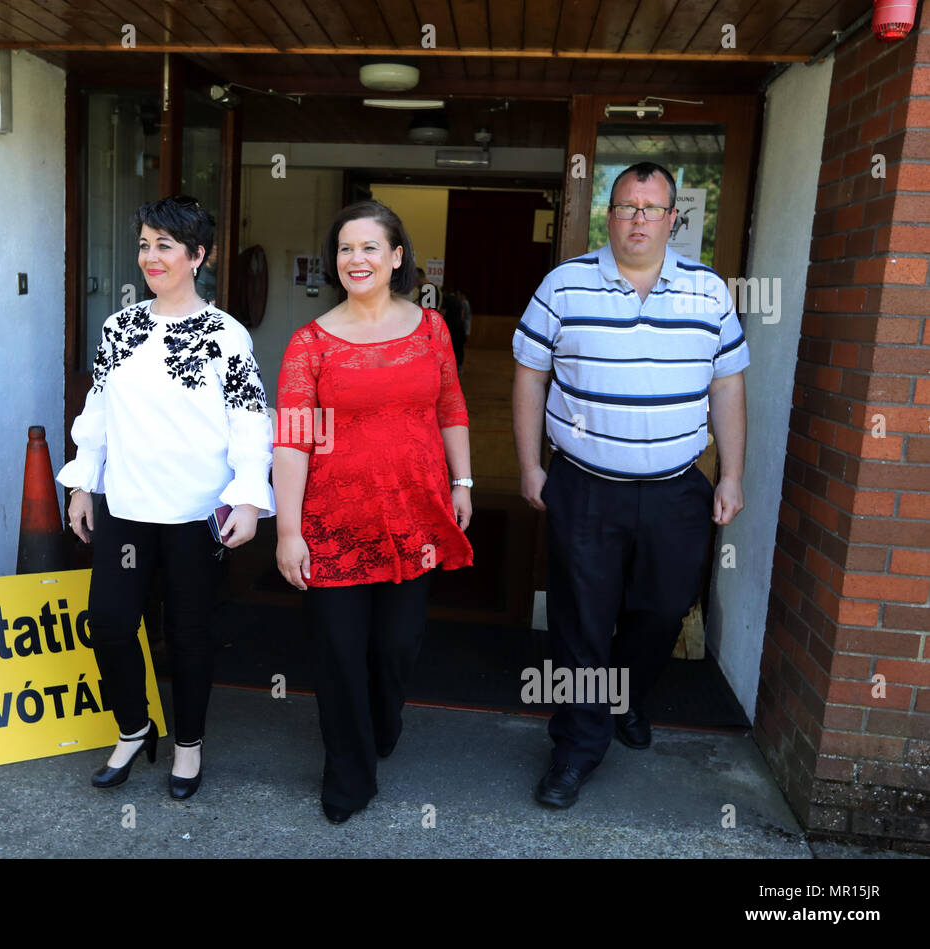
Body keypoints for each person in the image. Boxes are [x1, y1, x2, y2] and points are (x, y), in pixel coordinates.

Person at [511, 161, 748, 808]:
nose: (638, 218)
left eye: (651, 208)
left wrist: (731, 473)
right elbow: (530, 374)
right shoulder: (565, 285)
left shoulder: (710, 293)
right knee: (581, 621)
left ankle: (627, 698)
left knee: (663, 609)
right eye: (625, 206)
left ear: (674, 219)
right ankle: (577, 747)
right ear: (608, 216)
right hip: (584, 486)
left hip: (677, 489)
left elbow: (727, 384)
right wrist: (531, 465)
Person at [58, 195, 274, 800]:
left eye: (166, 246)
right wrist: (81, 484)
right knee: (108, 622)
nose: (152, 257)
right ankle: (133, 728)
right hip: (125, 507)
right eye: (145, 244)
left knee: (189, 633)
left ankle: (188, 746)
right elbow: (96, 411)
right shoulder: (118, 327)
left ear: (198, 256)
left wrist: (250, 499)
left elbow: (250, 422)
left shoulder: (225, 335)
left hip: (193, 514)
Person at [273, 200, 474, 824]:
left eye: (368, 248)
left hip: (414, 517)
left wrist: (463, 481)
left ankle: (383, 721)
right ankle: (348, 774)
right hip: (332, 524)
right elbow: (291, 440)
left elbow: (451, 407)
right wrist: (286, 531)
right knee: (337, 651)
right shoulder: (310, 343)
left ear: (395, 258)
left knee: (397, 646)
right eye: (344, 249)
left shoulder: (431, 329)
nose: (354, 259)